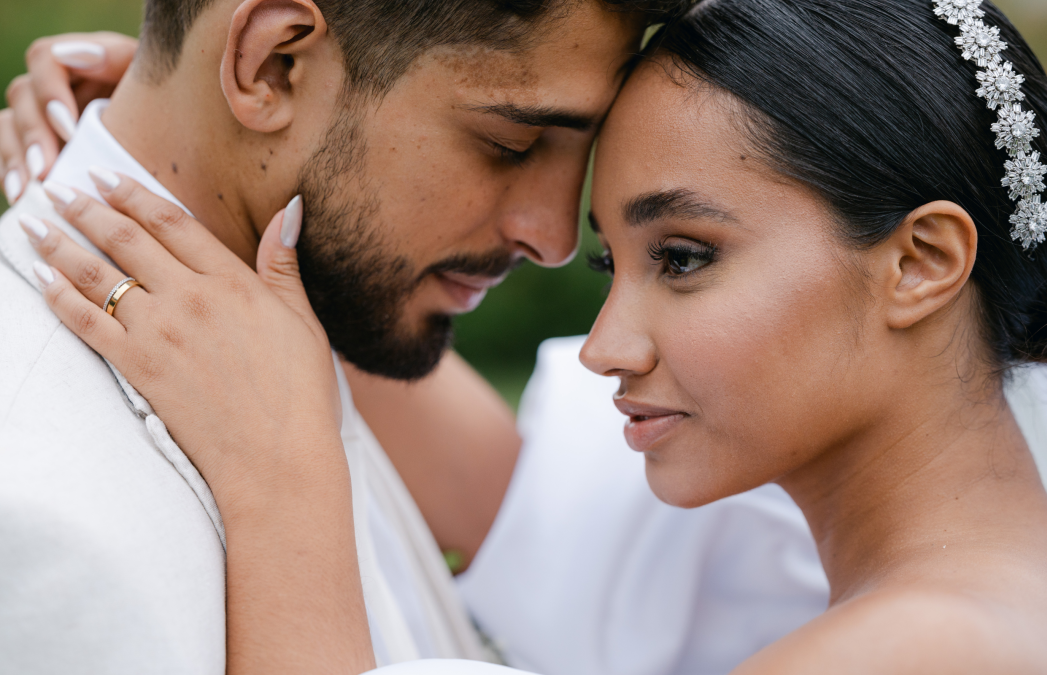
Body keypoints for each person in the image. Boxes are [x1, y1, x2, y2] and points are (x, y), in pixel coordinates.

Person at [14, 0, 1047, 672]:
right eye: (510, 140)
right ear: (270, 65)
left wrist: (283, 492)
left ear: (923, 262)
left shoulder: (932, 646)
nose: (604, 339)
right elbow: (527, 507)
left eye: (686, 256)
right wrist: (194, 142)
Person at [0, 0, 698, 671]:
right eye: (508, 144)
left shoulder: (296, 339)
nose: (552, 237)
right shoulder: (42, 512)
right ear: (273, 65)